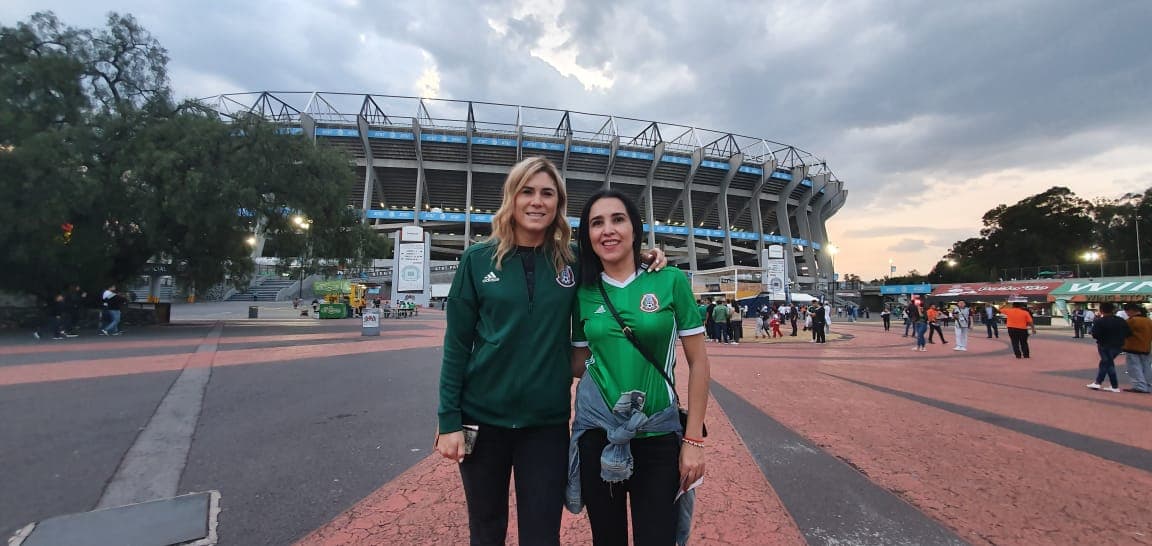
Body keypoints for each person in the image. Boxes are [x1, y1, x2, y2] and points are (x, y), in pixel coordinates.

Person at [567, 189, 709, 546]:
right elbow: (579, 363)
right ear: (587, 236)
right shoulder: (582, 290)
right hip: (599, 437)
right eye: (596, 223)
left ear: (635, 228)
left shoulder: (670, 280)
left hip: (659, 437)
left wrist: (692, 441)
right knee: (607, 539)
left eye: (618, 219)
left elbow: (699, 362)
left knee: (658, 538)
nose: (608, 230)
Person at [1087, 302, 1130, 392]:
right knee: (1108, 363)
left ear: (1101, 310)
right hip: (1118, 345)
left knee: (1106, 363)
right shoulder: (1121, 320)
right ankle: (1113, 385)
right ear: (1113, 310)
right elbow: (1128, 333)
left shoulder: (1099, 321)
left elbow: (1095, 334)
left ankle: (1099, 382)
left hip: (1104, 344)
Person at [1121, 303, 1151, 394]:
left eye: (1127, 312)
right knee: (1146, 367)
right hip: (1146, 346)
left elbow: (1124, 332)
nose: (1127, 314)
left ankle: (1139, 386)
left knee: (1134, 367)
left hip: (1133, 346)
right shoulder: (1148, 321)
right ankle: (1148, 385)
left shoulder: (1132, 320)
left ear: (1131, 310)